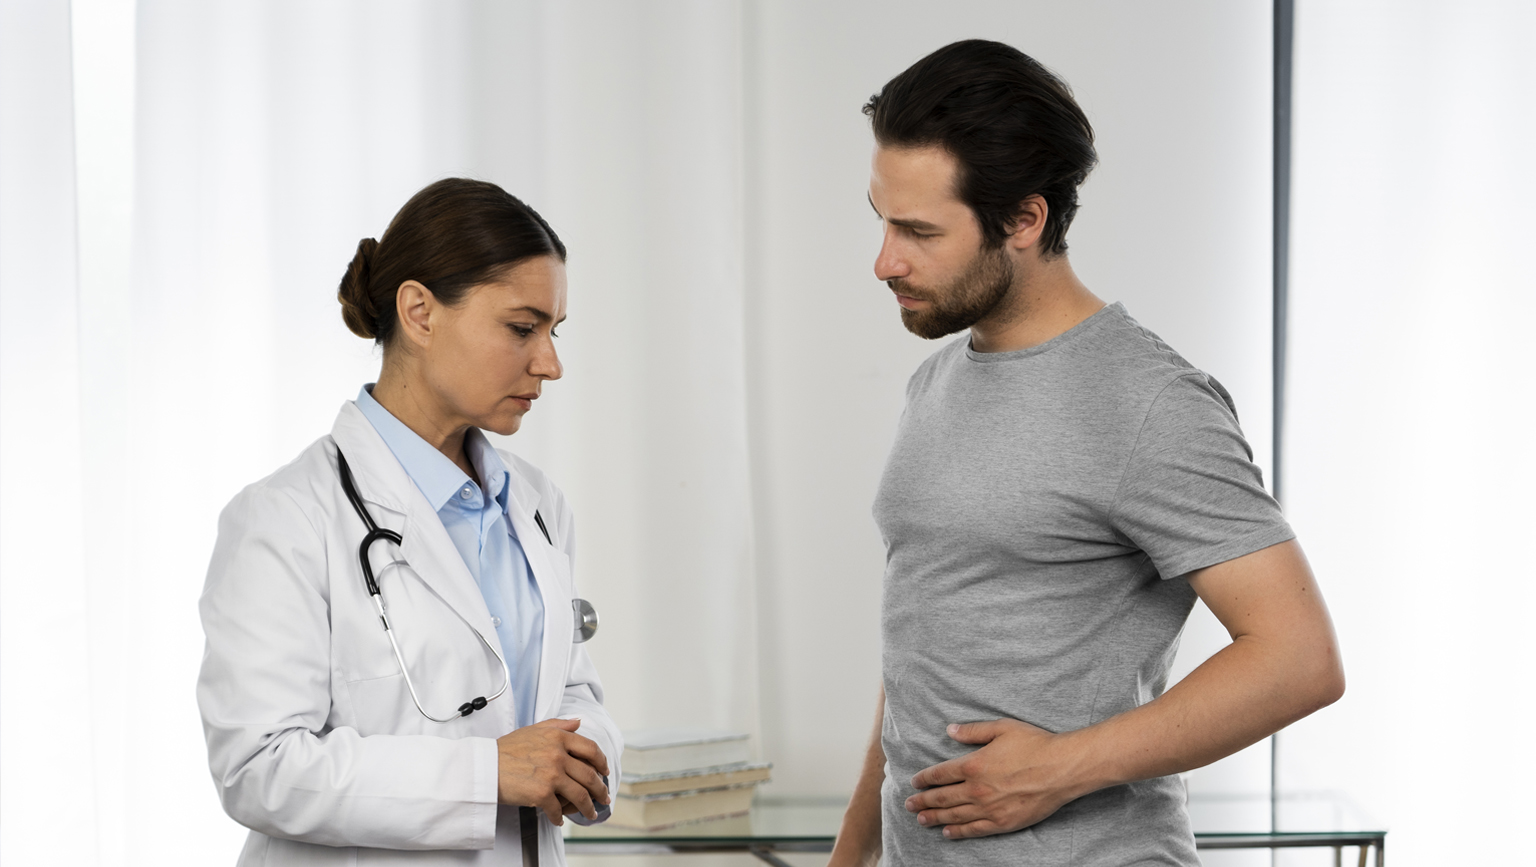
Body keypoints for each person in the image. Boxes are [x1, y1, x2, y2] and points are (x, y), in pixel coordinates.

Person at [827, 41, 1345, 867]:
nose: (885, 260)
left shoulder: (1149, 400)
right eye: (882, 220)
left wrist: (1057, 769)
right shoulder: (936, 381)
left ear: (1025, 220)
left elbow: (1299, 658)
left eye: (919, 231)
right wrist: (851, 858)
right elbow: (922, 654)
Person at [197, 178, 621, 867]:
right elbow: (259, 767)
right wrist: (487, 775)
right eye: (522, 328)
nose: (551, 363)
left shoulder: (538, 506)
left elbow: (572, 692)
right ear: (420, 313)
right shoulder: (286, 520)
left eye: (554, 331)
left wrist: (589, 753)